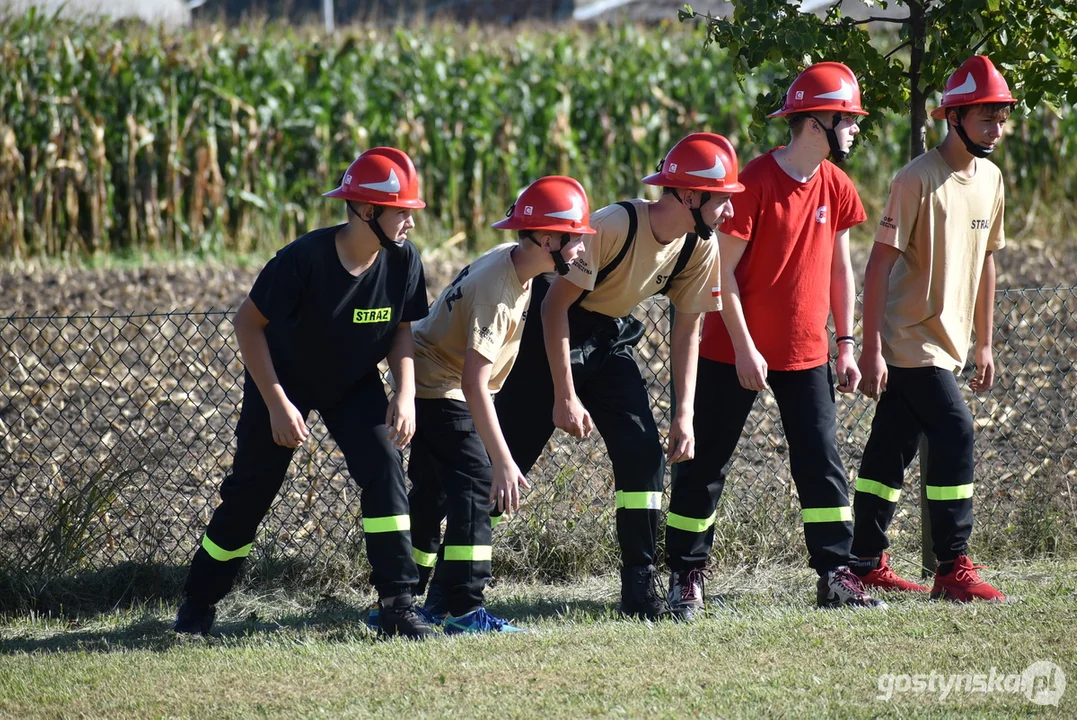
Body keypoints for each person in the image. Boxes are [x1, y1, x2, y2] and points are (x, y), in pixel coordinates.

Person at [174, 147, 435, 639]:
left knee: (385, 469)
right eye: (402, 212)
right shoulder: (303, 260)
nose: (410, 224)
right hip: (284, 380)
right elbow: (247, 325)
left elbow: (402, 329)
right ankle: (199, 601)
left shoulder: (404, 262)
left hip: (352, 381)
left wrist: (404, 393)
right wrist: (276, 403)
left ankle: (398, 604)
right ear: (365, 210)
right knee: (251, 492)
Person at [664, 63, 886, 618]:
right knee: (705, 464)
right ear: (816, 123)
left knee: (822, 463)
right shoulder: (756, 182)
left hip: (808, 353)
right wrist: (743, 348)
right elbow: (722, 277)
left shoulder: (837, 186)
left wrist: (846, 344)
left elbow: (841, 270)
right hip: (729, 351)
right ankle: (686, 576)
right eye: (848, 119)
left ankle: (836, 573)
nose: (855, 129)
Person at [493, 133, 743, 621]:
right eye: (723, 200)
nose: (729, 212)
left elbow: (688, 328)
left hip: (609, 339)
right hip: (555, 332)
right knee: (501, 463)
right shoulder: (613, 225)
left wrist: (684, 416)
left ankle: (638, 590)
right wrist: (564, 396)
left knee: (643, 455)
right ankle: (434, 578)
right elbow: (552, 307)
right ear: (690, 197)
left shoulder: (700, 246)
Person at [849, 55, 1012, 602]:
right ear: (955, 117)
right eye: (987, 117)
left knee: (891, 446)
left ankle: (864, 560)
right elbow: (878, 266)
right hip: (909, 338)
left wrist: (984, 341)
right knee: (955, 431)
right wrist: (871, 349)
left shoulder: (991, 179)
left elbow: (988, 261)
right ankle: (951, 565)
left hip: (951, 343)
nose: (997, 128)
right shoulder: (915, 178)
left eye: (1002, 117)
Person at [401, 176, 592, 634]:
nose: (581, 250)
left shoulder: (513, 268)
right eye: (574, 239)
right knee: (477, 484)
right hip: (441, 387)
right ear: (546, 238)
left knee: (431, 495)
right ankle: (465, 611)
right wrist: (503, 463)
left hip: (432, 382)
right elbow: (473, 383)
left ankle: (410, 601)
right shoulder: (500, 292)